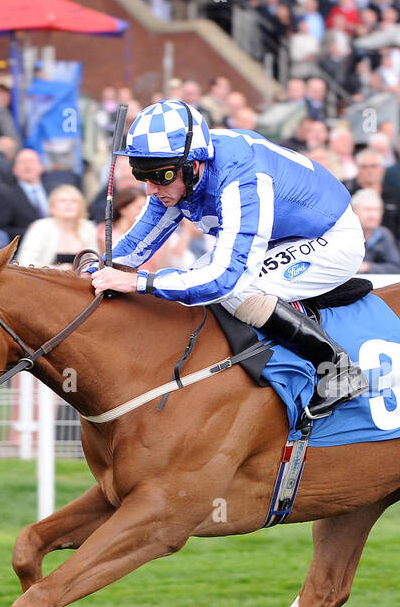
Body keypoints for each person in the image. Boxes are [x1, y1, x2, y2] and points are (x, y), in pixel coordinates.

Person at [85, 99, 370, 420]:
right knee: (192, 276)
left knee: (234, 291)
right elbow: (135, 247)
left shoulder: (240, 179)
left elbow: (224, 279)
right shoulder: (180, 173)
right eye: (141, 175)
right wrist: (94, 270)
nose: (150, 189)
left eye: (159, 176)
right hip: (278, 238)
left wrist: (140, 282)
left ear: (192, 167)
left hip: (330, 238)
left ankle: (338, 369)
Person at [17, 184, 96, 269]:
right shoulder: (40, 227)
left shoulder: (89, 227)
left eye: (74, 201)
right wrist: (57, 269)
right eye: (62, 201)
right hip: (46, 280)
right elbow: (24, 263)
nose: (68, 204)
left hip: (82, 280)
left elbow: (96, 261)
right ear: (52, 207)